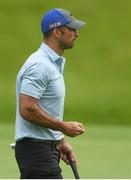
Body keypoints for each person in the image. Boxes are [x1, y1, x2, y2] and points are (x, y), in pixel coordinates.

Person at [15, 8, 86, 179]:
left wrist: (59, 140)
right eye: (72, 29)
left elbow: (42, 107)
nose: (76, 34)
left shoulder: (51, 64)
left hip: (43, 149)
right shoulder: (40, 66)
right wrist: (63, 127)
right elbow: (27, 109)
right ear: (56, 32)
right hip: (36, 152)